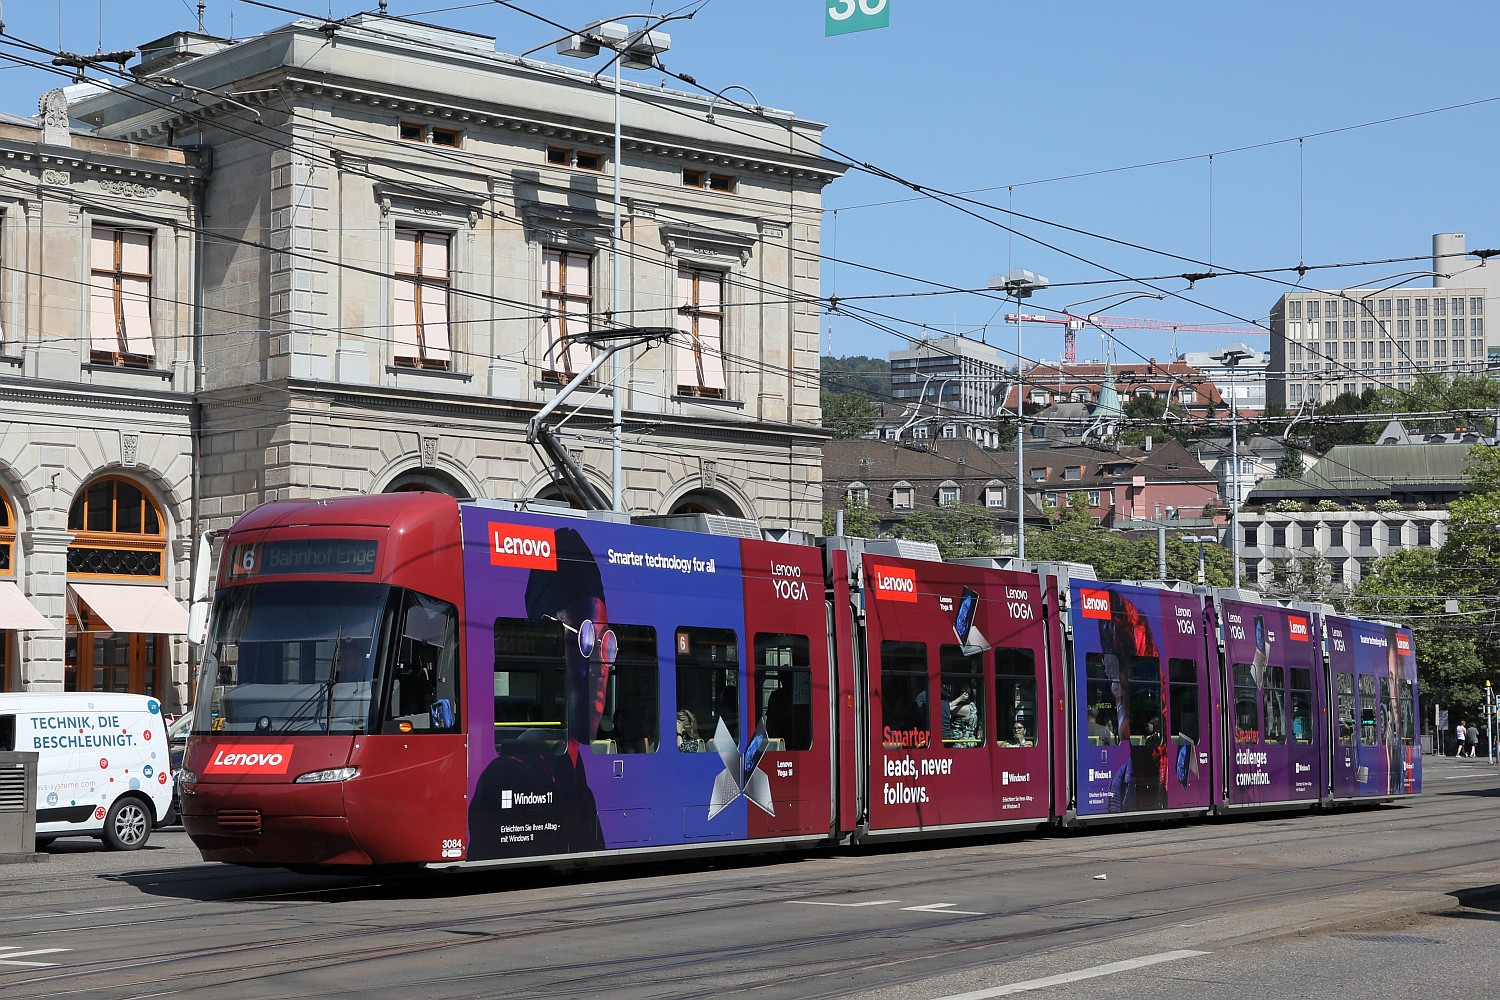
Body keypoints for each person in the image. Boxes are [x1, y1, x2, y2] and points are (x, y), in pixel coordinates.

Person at [469, 527, 612, 859]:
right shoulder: (510, 775)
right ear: (547, 642)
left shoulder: (580, 788)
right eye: (587, 640)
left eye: (606, 643)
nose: (601, 667)